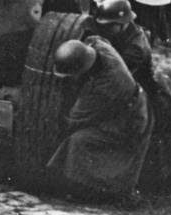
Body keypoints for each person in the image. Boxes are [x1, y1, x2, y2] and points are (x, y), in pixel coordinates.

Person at [92, 0, 171, 196]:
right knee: (154, 154)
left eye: (111, 26)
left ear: (124, 23)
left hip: (158, 101)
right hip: (146, 94)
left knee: (164, 154)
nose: (107, 29)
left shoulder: (135, 48)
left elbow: (120, 79)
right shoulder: (128, 33)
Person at [47, 37, 152, 205]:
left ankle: (91, 190)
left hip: (130, 118)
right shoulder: (98, 46)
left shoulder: (106, 85)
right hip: (126, 102)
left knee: (79, 140)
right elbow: (95, 38)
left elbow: (75, 120)